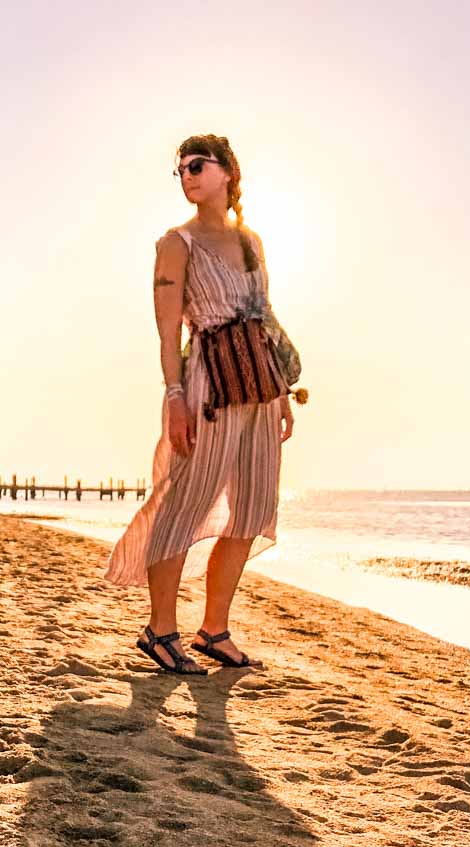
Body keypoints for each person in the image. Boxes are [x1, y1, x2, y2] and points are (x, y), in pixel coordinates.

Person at [104, 134, 296, 674]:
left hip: (259, 385)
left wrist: (282, 391)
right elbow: (167, 332)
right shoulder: (176, 243)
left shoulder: (252, 240)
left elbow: (266, 317)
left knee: (253, 508)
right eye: (180, 169)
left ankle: (214, 630)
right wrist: (174, 397)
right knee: (182, 506)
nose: (186, 174)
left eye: (196, 164)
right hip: (207, 384)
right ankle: (160, 630)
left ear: (227, 171)